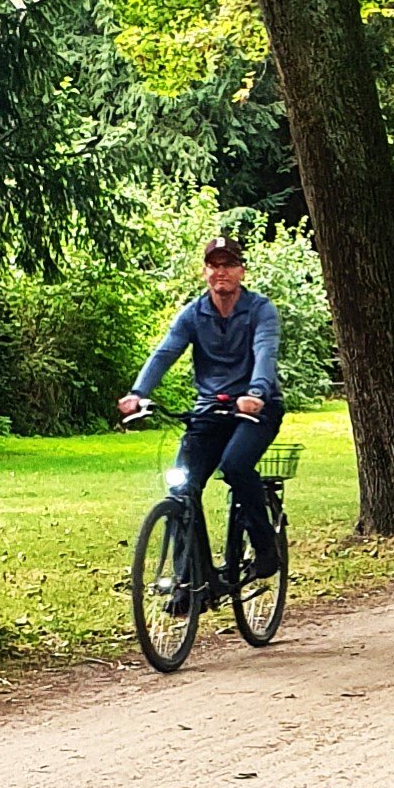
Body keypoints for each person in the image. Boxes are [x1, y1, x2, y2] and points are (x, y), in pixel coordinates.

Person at [119, 234, 285, 586]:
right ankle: (192, 581)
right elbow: (165, 352)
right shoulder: (194, 314)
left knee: (236, 466)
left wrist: (256, 392)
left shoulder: (260, 310)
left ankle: (265, 549)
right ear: (205, 271)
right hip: (210, 410)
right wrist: (138, 392)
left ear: (241, 271)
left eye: (229, 264)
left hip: (256, 410)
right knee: (182, 487)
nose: (221, 271)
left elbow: (265, 353)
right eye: (214, 265)